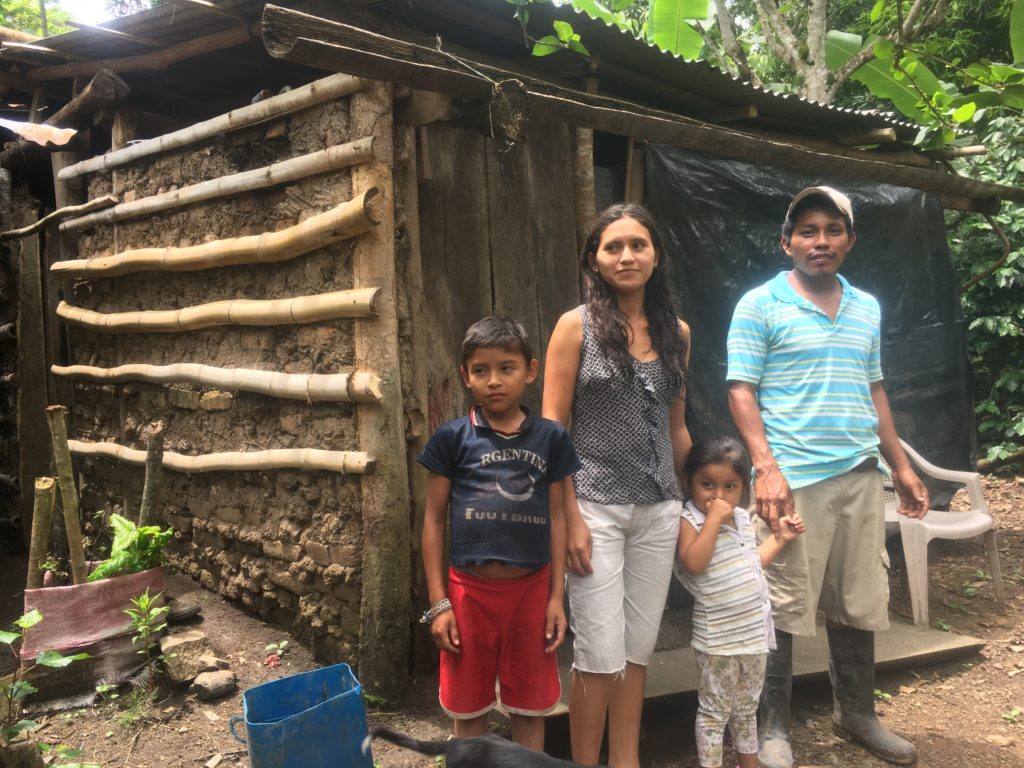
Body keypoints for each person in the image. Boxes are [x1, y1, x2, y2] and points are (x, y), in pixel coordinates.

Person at [726, 186, 930, 768]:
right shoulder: (759, 304)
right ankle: (772, 728)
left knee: (858, 598)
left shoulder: (866, 306)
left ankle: (857, 714)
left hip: (860, 474)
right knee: (779, 603)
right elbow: (741, 389)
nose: (821, 241)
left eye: (833, 230)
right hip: (793, 479)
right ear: (786, 242)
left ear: (850, 240)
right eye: (808, 231)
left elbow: (874, 389)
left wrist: (901, 466)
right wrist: (767, 470)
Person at [543, 203, 691, 768]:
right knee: (599, 655)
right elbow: (553, 431)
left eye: (638, 245)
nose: (627, 256)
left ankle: (625, 761)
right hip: (594, 507)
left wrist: (701, 497)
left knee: (636, 652)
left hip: (659, 509)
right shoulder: (574, 326)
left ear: (656, 255)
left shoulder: (677, 332)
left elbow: (677, 427)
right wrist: (569, 518)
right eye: (613, 247)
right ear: (594, 259)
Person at [417, 315, 581, 750]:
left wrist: (555, 598)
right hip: (467, 594)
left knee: (529, 708)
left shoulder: (551, 438)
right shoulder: (452, 438)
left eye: (506, 368)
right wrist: (439, 603)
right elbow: (433, 520)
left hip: (531, 594)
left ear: (530, 370)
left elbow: (559, 518)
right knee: (468, 710)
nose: (494, 380)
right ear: (465, 375)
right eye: (481, 370)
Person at [675, 436, 805, 768]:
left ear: (743, 488)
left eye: (729, 487)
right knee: (714, 713)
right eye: (707, 484)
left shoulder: (742, 518)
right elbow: (693, 563)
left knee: (747, 709)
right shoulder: (690, 520)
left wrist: (780, 538)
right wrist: (713, 520)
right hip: (719, 641)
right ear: (688, 481)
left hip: (754, 635)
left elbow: (752, 562)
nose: (718, 495)